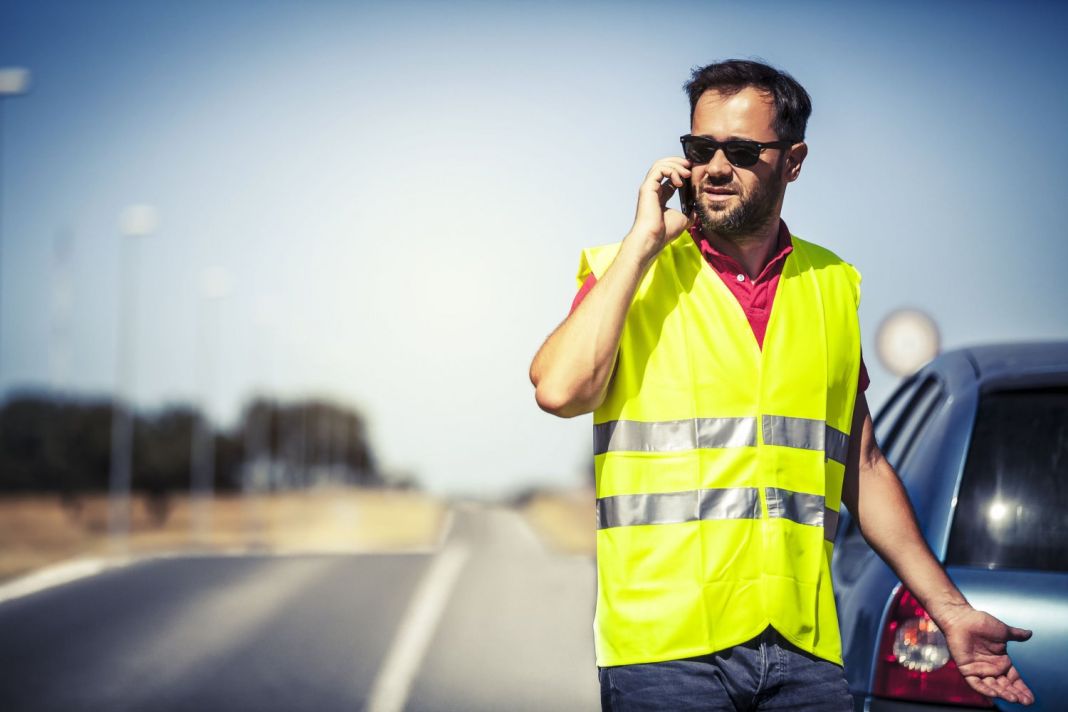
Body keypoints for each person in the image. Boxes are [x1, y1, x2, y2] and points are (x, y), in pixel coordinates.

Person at [528, 59, 1034, 711]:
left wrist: (949, 610)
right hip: (662, 654)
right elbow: (560, 390)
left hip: (802, 652)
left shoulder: (830, 285)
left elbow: (864, 466)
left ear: (792, 161)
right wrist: (642, 241)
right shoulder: (633, 267)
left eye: (740, 151)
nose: (714, 167)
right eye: (699, 147)